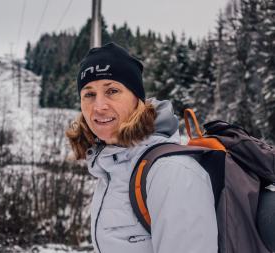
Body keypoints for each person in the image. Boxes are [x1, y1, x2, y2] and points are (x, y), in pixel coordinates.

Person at [65, 42, 218, 253]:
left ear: (138, 100)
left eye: (112, 90)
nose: (99, 106)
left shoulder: (171, 172)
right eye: (89, 94)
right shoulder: (112, 165)